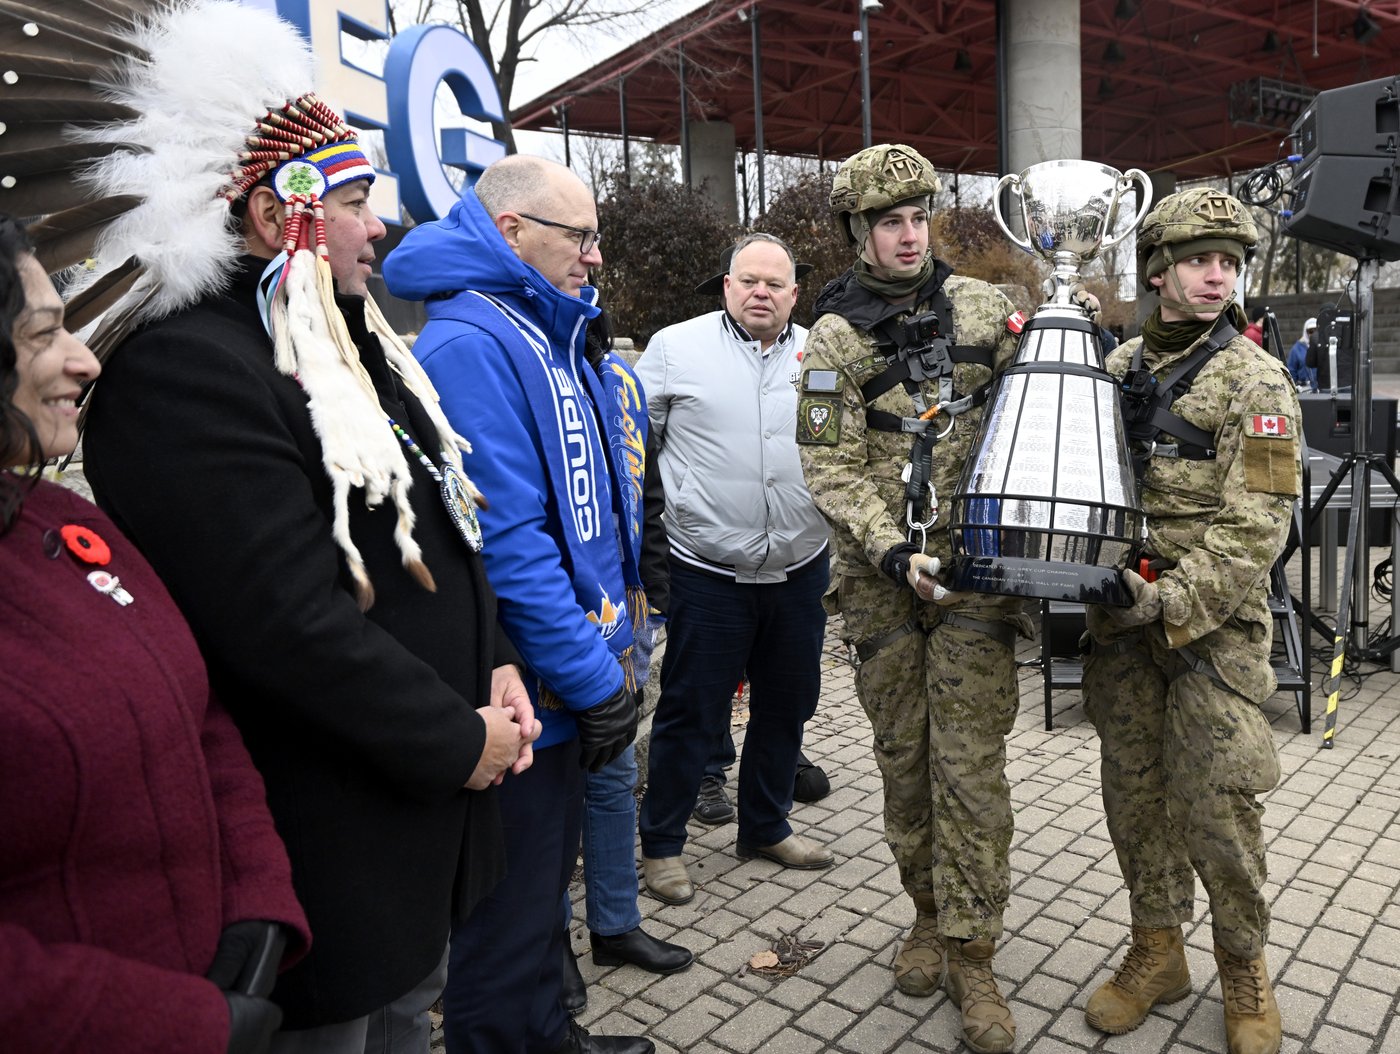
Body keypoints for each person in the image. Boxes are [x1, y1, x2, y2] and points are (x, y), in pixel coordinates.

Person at [67, 4, 537, 1050]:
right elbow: (279, 624)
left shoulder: (338, 337)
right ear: (282, 213)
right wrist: (454, 737)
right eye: (357, 200)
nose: (379, 226)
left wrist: (496, 658)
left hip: (415, 827)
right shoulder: (185, 370)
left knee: (412, 1020)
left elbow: (440, 526)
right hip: (328, 854)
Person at [383, 154, 673, 1054]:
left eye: (595, 236)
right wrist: (594, 682)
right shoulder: (474, 342)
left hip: (566, 671)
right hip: (529, 686)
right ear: (512, 233)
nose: (594, 256)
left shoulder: (543, 329)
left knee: (544, 888)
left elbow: (602, 507)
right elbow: (513, 544)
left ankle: (550, 1032)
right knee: (509, 914)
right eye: (577, 236)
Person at [0, 213, 310, 1053]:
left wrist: (257, 904)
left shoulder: (58, 519)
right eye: (42, 335)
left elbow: (195, 712)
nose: (83, 360)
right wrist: (176, 1025)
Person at [796, 144, 1028, 1054]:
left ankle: (975, 954)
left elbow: (1033, 422)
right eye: (886, 221)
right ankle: (926, 913)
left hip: (974, 574)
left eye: (916, 217)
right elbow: (828, 463)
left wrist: (1067, 341)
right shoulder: (831, 339)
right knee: (904, 760)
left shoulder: (987, 307)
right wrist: (894, 552)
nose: (905, 235)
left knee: (968, 766)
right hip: (882, 584)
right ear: (858, 232)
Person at [1080, 187, 1298, 1054]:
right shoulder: (1118, 364)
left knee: (1217, 808)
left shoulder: (1256, 376)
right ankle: (1157, 952)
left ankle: (1243, 967)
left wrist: (1167, 601)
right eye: (1201, 260)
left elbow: (1259, 525)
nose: (1218, 276)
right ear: (1160, 271)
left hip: (1209, 630)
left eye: (1231, 263)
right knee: (1136, 800)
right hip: (1119, 626)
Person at [635, 233, 834, 905]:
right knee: (691, 710)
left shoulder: (822, 353)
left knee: (787, 705)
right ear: (725, 286)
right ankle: (662, 845)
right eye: (748, 280)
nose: (761, 293)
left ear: (794, 294)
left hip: (799, 568)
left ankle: (766, 826)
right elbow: (636, 454)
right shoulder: (673, 350)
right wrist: (649, 555)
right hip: (707, 569)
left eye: (775, 284)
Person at [1288, 317, 1318, 391]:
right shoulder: (1296, 349)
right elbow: (1292, 371)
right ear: (1306, 332)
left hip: (1321, 389)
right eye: (1310, 331)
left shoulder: (1324, 346)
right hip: (1304, 389)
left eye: (1316, 331)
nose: (1313, 334)